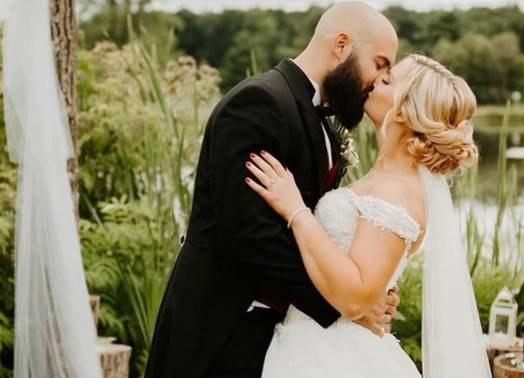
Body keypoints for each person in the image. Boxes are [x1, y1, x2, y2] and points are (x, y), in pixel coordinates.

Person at [145, 2, 401, 377]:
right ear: (342, 45)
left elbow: (318, 229)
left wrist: (366, 288)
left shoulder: (324, 124)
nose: (378, 81)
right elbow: (249, 235)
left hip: (277, 337)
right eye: (379, 64)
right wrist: (347, 305)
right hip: (220, 330)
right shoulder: (259, 102)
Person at [245, 54, 491, 377]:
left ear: (405, 110)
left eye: (388, 81)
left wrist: (296, 212)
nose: (375, 81)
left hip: (333, 358)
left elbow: (355, 297)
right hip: (313, 343)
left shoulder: (399, 191)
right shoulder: (386, 178)